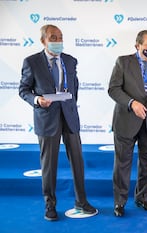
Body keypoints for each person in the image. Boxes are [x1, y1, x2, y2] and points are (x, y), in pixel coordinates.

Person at [18, 24, 97, 221]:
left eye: (60, 37)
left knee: (78, 162)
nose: (58, 41)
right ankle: (50, 205)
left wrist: (70, 107)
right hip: (46, 118)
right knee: (49, 165)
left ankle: (81, 201)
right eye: (53, 37)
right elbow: (24, 90)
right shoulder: (32, 62)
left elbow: (74, 88)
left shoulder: (70, 61)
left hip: (69, 117)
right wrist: (37, 100)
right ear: (43, 40)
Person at [108, 30, 147, 217]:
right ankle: (119, 202)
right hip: (126, 121)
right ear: (138, 45)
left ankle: (142, 198)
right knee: (122, 164)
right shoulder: (123, 62)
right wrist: (131, 103)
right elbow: (113, 89)